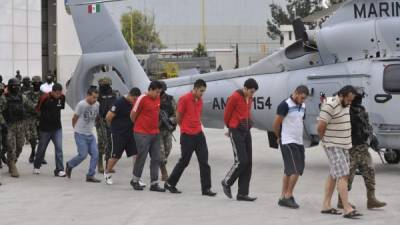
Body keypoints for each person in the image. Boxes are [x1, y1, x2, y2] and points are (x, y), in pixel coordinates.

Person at [164, 79, 216, 197]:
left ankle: (206, 189)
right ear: (195, 88)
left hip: (199, 134)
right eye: (201, 91)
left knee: (204, 162)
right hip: (187, 135)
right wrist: (185, 128)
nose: (202, 93)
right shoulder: (184, 99)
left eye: (204, 91)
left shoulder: (200, 100)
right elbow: (178, 116)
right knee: (184, 161)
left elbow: (197, 115)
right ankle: (170, 183)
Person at [318, 85, 362, 219]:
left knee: (334, 174)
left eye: (351, 100)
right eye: (348, 100)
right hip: (333, 144)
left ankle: (326, 205)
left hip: (344, 145)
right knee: (344, 174)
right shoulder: (330, 105)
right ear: (341, 95)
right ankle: (347, 208)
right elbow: (320, 126)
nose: (350, 103)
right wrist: (325, 141)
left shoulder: (345, 104)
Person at [336, 92, 386, 209]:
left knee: (370, 172)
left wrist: (372, 137)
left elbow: (367, 125)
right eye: (357, 98)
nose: (359, 101)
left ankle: (371, 199)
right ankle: (341, 201)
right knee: (347, 176)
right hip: (351, 148)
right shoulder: (346, 110)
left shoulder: (362, 109)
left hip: (363, 148)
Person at [221, 78, 259, 201]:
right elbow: (227, 114)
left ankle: (242, 193)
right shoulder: (235, 97)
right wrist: (230, 128)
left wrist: (249, 122)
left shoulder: (250, 98)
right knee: (241, 161)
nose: (252, 94)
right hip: (236, 130)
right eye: (251, 91)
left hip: (246, 130)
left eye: (254, 92)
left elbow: (247, 112)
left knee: (248, 163)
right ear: (245, 88)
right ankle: (227, 181)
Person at [272, 85, 309, 208]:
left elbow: (299, 121)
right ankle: (288, 196)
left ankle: (283, 196)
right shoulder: (285, 105)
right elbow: (276, 125)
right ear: (296, 93)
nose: (303, 100)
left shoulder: (303, 105)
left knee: (289, 170)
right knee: (295, 169)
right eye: (302, 98)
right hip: (287, 141)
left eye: (305, 99)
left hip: (299, 141)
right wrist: (279, 137)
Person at [130, 81, 165, 192]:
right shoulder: (142, 98)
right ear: (150, 89)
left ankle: (154, 183)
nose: (158, 94)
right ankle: (135, 180)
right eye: (156, 92)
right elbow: (132, 115)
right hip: (142, 133)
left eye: (159, 92)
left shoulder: (158, 98)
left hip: (155, 133)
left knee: (156, 158)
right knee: (142, 157)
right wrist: (139, 126)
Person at [103, 87, 141, 185]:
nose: (135, 102)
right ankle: (107, 173)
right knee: (116, 156)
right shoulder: (119, 102)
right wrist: (112, 129)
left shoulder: (134, 103)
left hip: (130, 133)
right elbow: (108, 116)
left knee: (136, 154)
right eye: (134, 99)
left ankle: (136, 177)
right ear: (130, 95)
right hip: (119, 134)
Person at [66, 88, 101, 183]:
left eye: (96, 98)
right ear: (88, 95)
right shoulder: (81, 104)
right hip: (80, 134)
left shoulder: (97, 104)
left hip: (90, 134)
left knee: (95, 154)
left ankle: (90, 175)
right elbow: (74, 118)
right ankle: (70, 164)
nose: (95, 100)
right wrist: (76, 129)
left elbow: (97, 116)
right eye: (93, 97)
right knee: (83, 155)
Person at [3, 78, 35, 177]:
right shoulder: (4, 98)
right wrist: (3, 123)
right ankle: (12, 166)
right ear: (9, 86)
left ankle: (12, 162)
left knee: (20, 146)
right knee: (11, 146)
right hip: (9, 125)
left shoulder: (22, 97)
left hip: (21, 124)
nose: (16, 87)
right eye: (14, 86)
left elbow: (31, 106)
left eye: (18, 85)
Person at [33, 83, 66, 177]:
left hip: (57, 128)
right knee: (41, 149)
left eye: (60, 93)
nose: (59, 95)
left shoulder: (62, 97)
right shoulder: (44, 98)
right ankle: (37, 166)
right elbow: (37, 110)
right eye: (57, 93)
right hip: (45, 129)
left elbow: (60, 108)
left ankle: (59, 170)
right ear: (52, 91)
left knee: (59, 148)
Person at [95, 77, 118, 173]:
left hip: (110, 120)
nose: (105, 87)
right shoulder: (97, 94)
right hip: (100, 120)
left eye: (106, 85)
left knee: (110, 143)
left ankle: (108, 164)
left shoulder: (113, 94)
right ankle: (99, 162)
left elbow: (116, 106)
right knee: (101, 141)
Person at [24, 76, 46, 164]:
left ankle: (41, 156)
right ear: (32, 84)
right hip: (31, 119)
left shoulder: (44, 94)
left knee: (42, 138)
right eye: (35, 83)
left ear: (41, 84)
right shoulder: (27, 94)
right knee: (32, 138)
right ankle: (33, 152)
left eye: (38, 83)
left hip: (42, 119)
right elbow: (27, 106)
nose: (37, 85)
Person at [158, 81, 177, 181]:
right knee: (160, 152)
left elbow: (176, 114)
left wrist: (170, 120)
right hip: (157, 130)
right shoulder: (153, 100)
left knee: (167, 150)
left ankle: (160, 163)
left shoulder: (170, 99)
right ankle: (163, 172)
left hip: (168, 129)